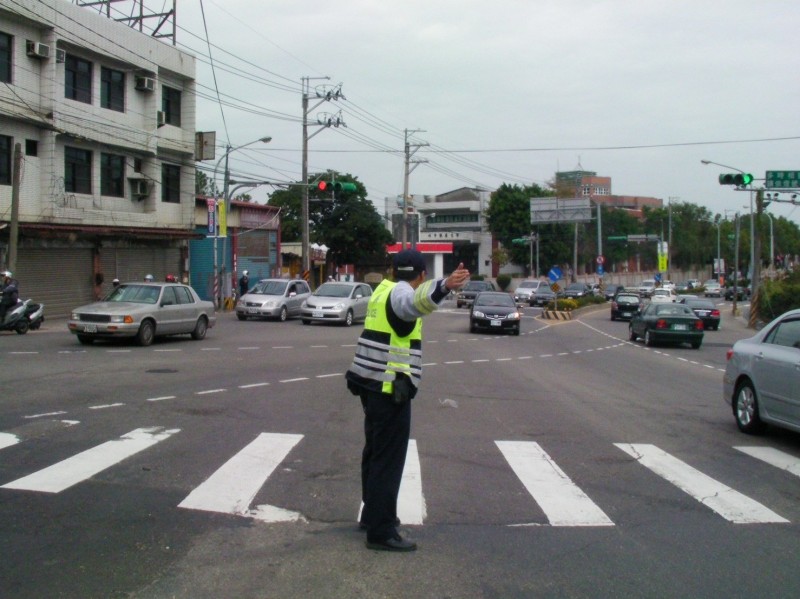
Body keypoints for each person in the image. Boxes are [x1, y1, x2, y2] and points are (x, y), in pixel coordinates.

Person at [345, 249, 470, 552]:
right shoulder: (402, 293)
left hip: (369, 382)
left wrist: (442, 285)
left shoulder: (383, 289)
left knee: (374, 454)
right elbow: (413, 302)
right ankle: (381, 531)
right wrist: (445, 287)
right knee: (388, 461)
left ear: (392, 269)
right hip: (389, 388)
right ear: (422, 275)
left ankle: (372, 515)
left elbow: (414, 296)